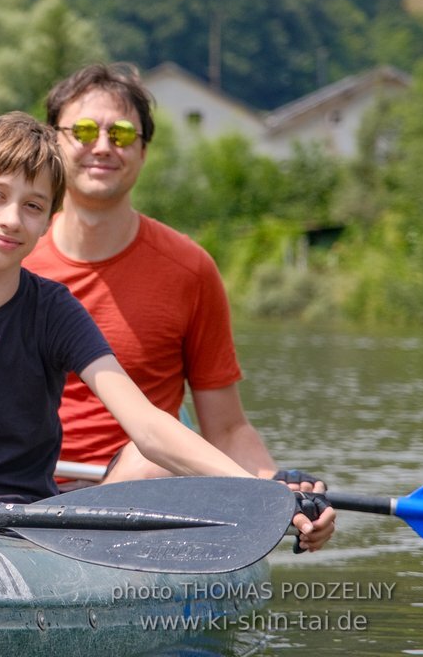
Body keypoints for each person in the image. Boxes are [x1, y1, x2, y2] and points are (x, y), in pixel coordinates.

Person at [21, 63, 333, 550]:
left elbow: (226, 426)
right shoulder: (12, 256)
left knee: (152, 458)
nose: (103, 146)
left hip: (144, 487)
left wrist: (279, 488)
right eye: (83, 130)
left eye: (122, 133)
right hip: (26, 487)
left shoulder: (190, 269)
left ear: (143, 150)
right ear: (55, 142)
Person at [0, 113, 271, 498]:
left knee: (150, 460)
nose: (12, 219)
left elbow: (147, 425)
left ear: (48, 221)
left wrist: (262, 491)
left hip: (24, 526)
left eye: (33, 206)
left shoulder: (54, 310)